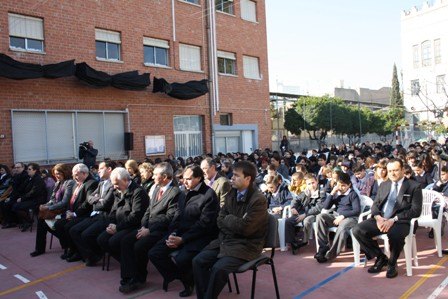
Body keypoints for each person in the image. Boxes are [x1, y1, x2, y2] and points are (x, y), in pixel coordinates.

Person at [192, 161, 268, 299]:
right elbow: (219, 220)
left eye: (236, 175)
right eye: (232, 175)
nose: (231, 178)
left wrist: (229, 219)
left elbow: (246, 229)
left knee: (218, 269)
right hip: (226, 241)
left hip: (247, 246)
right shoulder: (231, 194)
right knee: (198, 261)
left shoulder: (258, 200)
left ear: (248, 179)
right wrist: (234, 222)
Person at [148, 164, 220, 297]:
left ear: (199, 178)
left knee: (182, 259)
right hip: (180, 233)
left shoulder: (208, 195)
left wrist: (182, 239)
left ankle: (189, 283)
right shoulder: (183, 193)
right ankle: (183, 277)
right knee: (155, 253)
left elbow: (204, 225)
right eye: (183, 178)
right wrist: (173, 234)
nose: (184, 181)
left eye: (188, 179)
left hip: (200, 236)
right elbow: (177, 217)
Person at [119, 162, 184, 293]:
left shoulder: (175, 193)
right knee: (125, 241)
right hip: (148, 227)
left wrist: (149, 230)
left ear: (165, 176)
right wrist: (143, 226)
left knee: (139, 246)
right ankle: (128, 275)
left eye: (155, 175)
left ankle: (139, 278)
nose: (153, 177)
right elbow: (148, 210)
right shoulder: (156, 189)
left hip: (162, 231)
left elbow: (169, 218)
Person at [352, 159, 422, 278]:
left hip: (400, 221)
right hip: (381, 218)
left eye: (395, 170)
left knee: (395, 235)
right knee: (358, 230)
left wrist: (393, 220)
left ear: (402, 170)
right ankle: (380, 257)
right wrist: (378, 217)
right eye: (390, 171)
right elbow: (375, 204)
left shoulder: (413, 186)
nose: (392, 174)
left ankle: (392, 262)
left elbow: (415, 210)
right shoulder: (384, 184)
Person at [68, 160, 116, 265]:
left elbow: (105, 204)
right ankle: (87, 254)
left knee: (86, 234)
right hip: (95, 214)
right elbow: (89, 198)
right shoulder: (101, 183)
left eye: (101, 168)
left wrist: (96, 200)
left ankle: (95, 255)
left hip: (105, 216)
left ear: (109, 169)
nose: (98, 171)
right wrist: (97, 200)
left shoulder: (113, 184)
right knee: (74, 230)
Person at [96, 167, 149, 263]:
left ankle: (129, 263)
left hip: (133, 226)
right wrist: (111, 224)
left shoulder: (138, 192)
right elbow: (113, 210)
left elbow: (135, 216)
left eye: (116, 184)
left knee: (115, 241)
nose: (115, 187)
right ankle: (125, 261)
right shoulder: (118, 191)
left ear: (125, 180)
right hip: (120, 225)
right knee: (101, 239)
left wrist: (117, 227)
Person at [314, 172, 361, 263]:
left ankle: (331, 254)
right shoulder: (336, 194)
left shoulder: (353, 194)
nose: (341, 188)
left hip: (350, 218)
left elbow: (357, 210)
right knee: (320, 217)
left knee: (342, 227)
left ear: (349, 185)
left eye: (343, 186)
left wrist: (343, 216)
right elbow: (326, 207)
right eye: (339, 185)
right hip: (337, 216)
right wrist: (332, 193)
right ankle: (323, 248)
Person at [30, 163, 75, 257]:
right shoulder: (58, 182)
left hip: (65, 211)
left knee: (57, 225)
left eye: (58, 173)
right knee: (41, 221)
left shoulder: (70, 182)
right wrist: (45, 205)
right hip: (56, 210)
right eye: (55, 174)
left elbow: (64, 202)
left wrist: (48, 208)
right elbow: (53, 199)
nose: (56, 176)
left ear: (65, 172)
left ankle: (68, 245)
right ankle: (39, 249)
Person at [57, 163, 99, 261]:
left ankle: (77, 252)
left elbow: (87, 203)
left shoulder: (91, 183)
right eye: (73, 175)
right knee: (59, 224)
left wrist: (75, 214)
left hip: (84, 214)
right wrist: (68, 211)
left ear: (84, 174)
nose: (74, 177)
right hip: (73, 213)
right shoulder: (76, 183)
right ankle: (68, 249)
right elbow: (71, 200)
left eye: (76, 174)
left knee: (69, 227)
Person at [286, 173, 325, 254]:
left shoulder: (321, 192)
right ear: (306, 184)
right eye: (309, 184)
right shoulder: (305, 192)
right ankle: (293, 243)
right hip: (302, 213)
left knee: (307, 220)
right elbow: (295, 200)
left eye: (313, 182)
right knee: (288, 221)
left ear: (317, 181)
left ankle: (304, 241)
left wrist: (305, 215)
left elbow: (318, 208)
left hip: (314, 214)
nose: (311, 185)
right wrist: (293, 207)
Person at [12, 163, 47, 231]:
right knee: (15, 205)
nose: (27, 170)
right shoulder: (30, 178)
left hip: (38, 200)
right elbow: (24, 189)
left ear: (35, 170)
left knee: (16, 206)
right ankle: (27, 221)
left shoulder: (38, 179)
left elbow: (33, 192)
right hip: (32, 199)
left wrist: (22, 198)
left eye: (29, 169)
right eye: (27, 169)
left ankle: (29, 221)